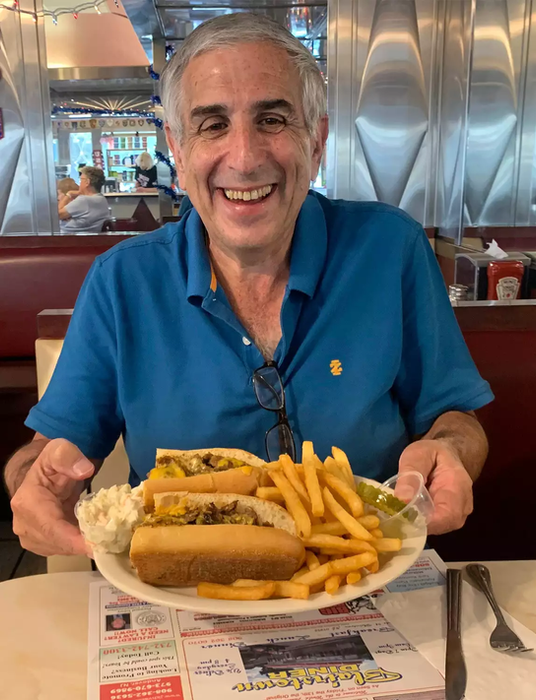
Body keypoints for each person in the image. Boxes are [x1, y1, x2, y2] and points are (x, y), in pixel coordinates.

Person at [5, 14, 493, 559]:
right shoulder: (122, 282)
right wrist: (34, 480)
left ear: (317, 140)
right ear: (179, 150)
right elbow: (47, 452)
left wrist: (449, 451)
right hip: (176, 595)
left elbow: (457, 420)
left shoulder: (391, 248)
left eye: (273, 119)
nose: (244, 157)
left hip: (369, 579)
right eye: (212, 124)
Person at [58, 166, 110, 233]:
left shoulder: (84, 200)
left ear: (87, 182)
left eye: (81, 180)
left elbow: (57, 215)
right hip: (88, 239)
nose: (79, 183)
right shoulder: (102, 199)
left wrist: (69, 194)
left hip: (69, 239)